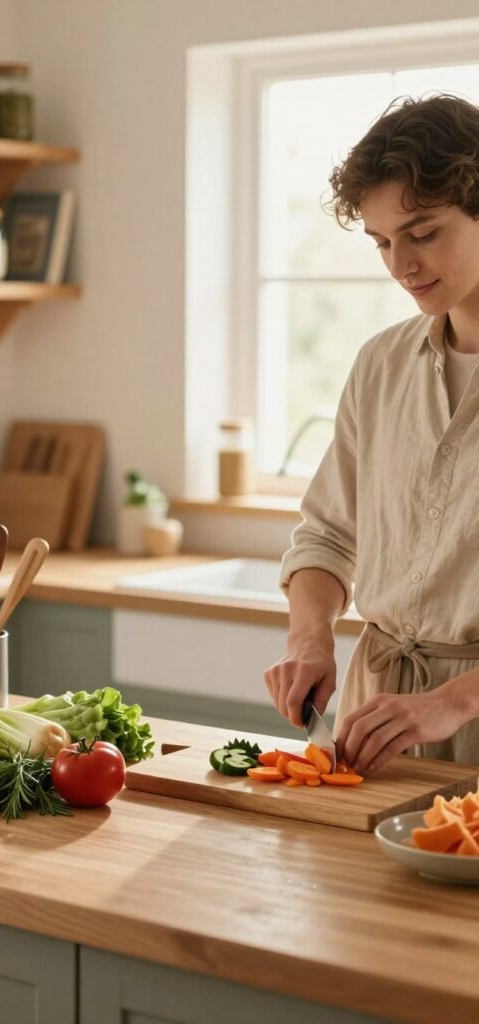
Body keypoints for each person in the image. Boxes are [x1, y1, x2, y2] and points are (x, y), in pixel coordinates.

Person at [264, 93, 479, 775]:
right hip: (374, 716)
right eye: (383, 242)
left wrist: (452, 700)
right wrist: (310, 641)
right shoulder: (380, 364)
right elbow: (327, 535)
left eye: (422, 233)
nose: (400, 265)